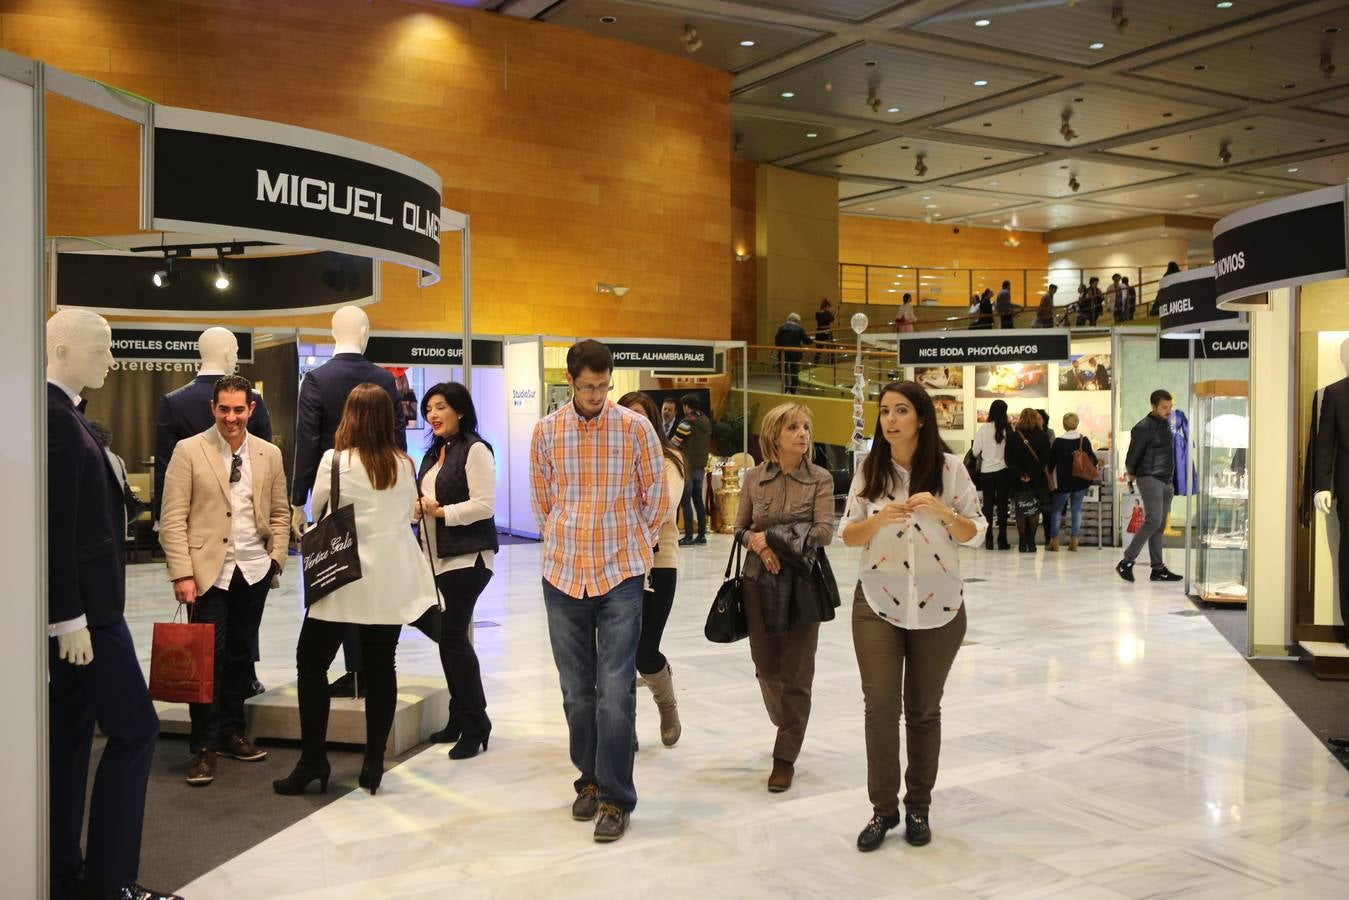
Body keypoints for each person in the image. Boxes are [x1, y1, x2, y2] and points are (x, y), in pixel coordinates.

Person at [46, 309, 179, 900]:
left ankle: (60, 867)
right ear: (63, 349)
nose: (110, 359)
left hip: (91, 614)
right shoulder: (53, 418)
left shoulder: (67, 416)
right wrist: (67, 615)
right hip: (88, 619)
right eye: (100, 349)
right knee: (135, 730)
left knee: (71, 736)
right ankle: (109, 881)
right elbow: (53, 529)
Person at [529, 340, 669, 843]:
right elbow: (543, 499)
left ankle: (616, 797)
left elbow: (657, 495)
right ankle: (587, 780)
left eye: (603, 386)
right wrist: (563, 536)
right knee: (575, 693)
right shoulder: (546, 431)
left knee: (615, 691)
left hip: (620, 576)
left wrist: (634, 542)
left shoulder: (634, 428)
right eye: (586, 386)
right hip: (563, 575)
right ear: (571, 381)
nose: (595, 394)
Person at [840, 381, 986, 852]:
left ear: (921, 417)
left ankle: (918, 807)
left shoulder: (950, 468)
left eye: (901, 410)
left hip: (940, 606)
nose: (890, 420)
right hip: (877, 603)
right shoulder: (869, 469)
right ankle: (883, 810)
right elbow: (847, 535)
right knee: (881, 708)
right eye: (884, 411)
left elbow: (975, 533)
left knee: (923, 711)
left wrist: (944, 512)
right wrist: (878, 519)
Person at [273, 385, 439, 797]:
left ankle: (313, 760)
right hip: (389, 578)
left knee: (311, 662)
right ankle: (373, 764)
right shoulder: (404, 463)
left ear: (348, 416)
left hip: (342, 577)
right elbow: (405, 515)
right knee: (382, 666)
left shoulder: (335, 461)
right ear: (388, 418)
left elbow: (319, 512)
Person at [158, 375, 291, 786]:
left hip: (253, 570)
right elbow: (172, 518)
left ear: (251, 409)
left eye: (239, 409)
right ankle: (203, 746)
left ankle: (233, 732)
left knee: (239, 656)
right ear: (213, 409)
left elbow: (281, 512)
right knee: (206, 661)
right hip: (207, 574)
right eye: (224, 409)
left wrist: (276, 560)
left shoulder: (269, 454)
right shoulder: (189, 450)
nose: (231, 417)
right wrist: (182, 572)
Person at [735, 402, 835, 794]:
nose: (803, 434)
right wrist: (756, 544)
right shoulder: (753, 478)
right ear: (775, 434)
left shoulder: (821, 479)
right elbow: (740, 527)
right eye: (793, 427)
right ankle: (787, 722)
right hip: (757, 581)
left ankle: (785, 755)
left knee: (797, 673)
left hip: (803, 585)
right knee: (766, 666)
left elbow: (824, 531)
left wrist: (774, 539)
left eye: (806, 427)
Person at [414, 382, 499, 759]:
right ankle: (459, 716)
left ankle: (475, 720)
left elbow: (484, 505)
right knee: (449, 638)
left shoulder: (476, 449)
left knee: (452, 636)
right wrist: (418, 508)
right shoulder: (435, 452)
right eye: (428, 408)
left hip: (469, 558)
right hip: (435, 558)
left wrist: (441, 511)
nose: (432, 414)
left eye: (440, 407)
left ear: (460, 410)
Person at [618, 392, 685, 747]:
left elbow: (663, 506)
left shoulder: (668, 459)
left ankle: (667, 704)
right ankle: (623, 725)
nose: (634, 425)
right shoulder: (609, 457)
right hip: (616, 563)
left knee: (645, 650)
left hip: (659, 563)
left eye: (641, 418)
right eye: (627, 417)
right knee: (618, 651)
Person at [1118, 389, 1184, 583]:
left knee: (1160, 525)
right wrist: (1131, 472)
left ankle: (1158, 569)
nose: (1168, 411)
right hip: (1149, 478)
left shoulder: (1166, 425)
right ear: (1153, 406)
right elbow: (1133, 454)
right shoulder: (1143, 427)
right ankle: (1127, 561)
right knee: (1153, 520)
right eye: (1164, 407)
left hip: (1166, 480)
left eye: (1170, 407)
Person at [1004, 407, 1052, 552]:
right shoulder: (1043, 436)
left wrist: (1021, 474)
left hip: (1018, 479)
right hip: (1037, 480)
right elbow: (1044, 460)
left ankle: (1022, 542)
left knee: (1021, 510)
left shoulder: (1013, 436)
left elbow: (1008, 459)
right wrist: (1031, 474)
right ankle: (1031, 542)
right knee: (1033, 510)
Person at [1049, 413, 1099, 552]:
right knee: (1077, 509)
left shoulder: (1058, 442)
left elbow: (1051, 463)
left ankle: (1055, 542)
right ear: (1076, 424)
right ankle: (1074, 541)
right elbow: (1093, 460)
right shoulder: (1084, 440)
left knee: (1057, 510)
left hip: (1063, 482)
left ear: (1064, 425)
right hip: (1080, 481)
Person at [671, 393, 711, 545]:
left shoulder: (687, 422)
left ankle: (688, 536)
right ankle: (701, 535)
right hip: (700, 467)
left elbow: (675, 443)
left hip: (687, 466)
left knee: (685, 501)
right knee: (698, 501)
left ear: (687, 406)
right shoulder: (705, 420)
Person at [971, 399, 1012, 549]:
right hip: (1003, 472)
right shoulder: (1008, 429)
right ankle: (1002, 540)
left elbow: (975, 451)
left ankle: (988, 539)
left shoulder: (983, 429)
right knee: (1002, 506)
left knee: (987, 506)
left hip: (986, 472)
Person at [774, 312, 814, 394]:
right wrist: (812, 339)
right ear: (796, 321)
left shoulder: (782, 328)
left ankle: (785, 387)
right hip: (795, 354)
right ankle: (793, 390)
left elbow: (777, 340)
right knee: (794, 372)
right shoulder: (799, 328)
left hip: (783, 353)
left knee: (783, 371)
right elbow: (806, 341)